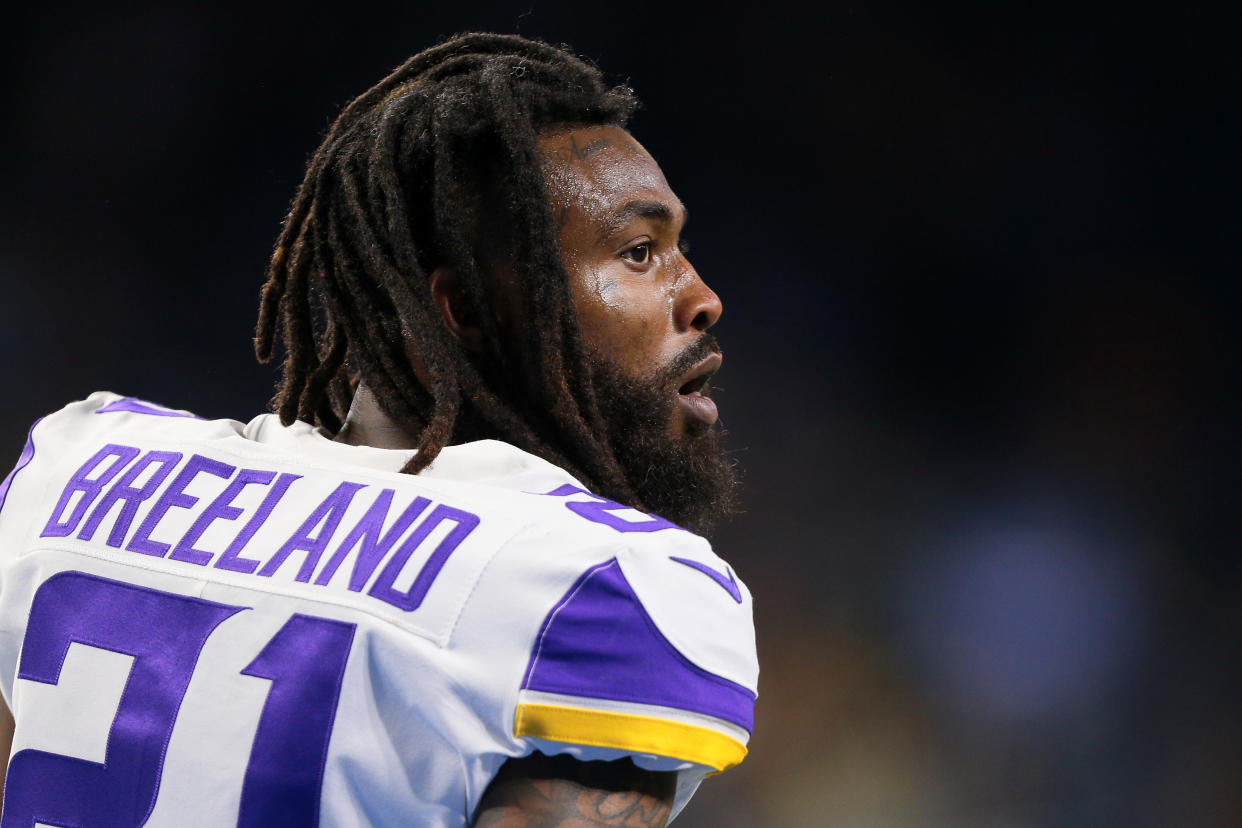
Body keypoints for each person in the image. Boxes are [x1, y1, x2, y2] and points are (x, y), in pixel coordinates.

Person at [0, 32, 756, 827]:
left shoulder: (86, 469)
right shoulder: (603, 584)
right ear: (464, 311)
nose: (701, 296)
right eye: (639, 252)